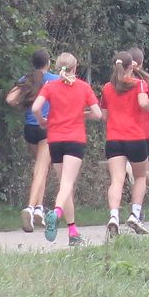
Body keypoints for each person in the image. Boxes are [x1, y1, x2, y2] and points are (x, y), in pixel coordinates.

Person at [34, 53, 99, 246]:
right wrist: (83, 115)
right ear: (75, 68)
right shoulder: (84, 87)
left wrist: (42, 121)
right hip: (74, 139)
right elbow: (97, 114)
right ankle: (56, 212)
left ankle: (73, 232)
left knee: (65, 186)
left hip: (55, 140)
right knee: (67, 184)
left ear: (58, 67)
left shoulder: (50, 86)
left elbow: (35, 108)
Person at [100, 51, 149, 237]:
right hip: (136, 138)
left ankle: (113, 216)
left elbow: (104, 116)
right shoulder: (139, 84)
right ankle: (135, 214)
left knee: (117, 180)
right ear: (131, 67)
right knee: (140, 177)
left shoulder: (107, 88)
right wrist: (147, 107)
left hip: (114, 139)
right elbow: (144, 104)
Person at [6, 50, 57, 234]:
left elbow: (10, 99)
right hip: (46, 128)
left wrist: (24, 104)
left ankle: (39, 209)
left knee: (40, 169)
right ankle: (30, 207)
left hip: (30, 128)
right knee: (41, 170)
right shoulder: (55, 79)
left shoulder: (26, 79)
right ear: (48, 63)